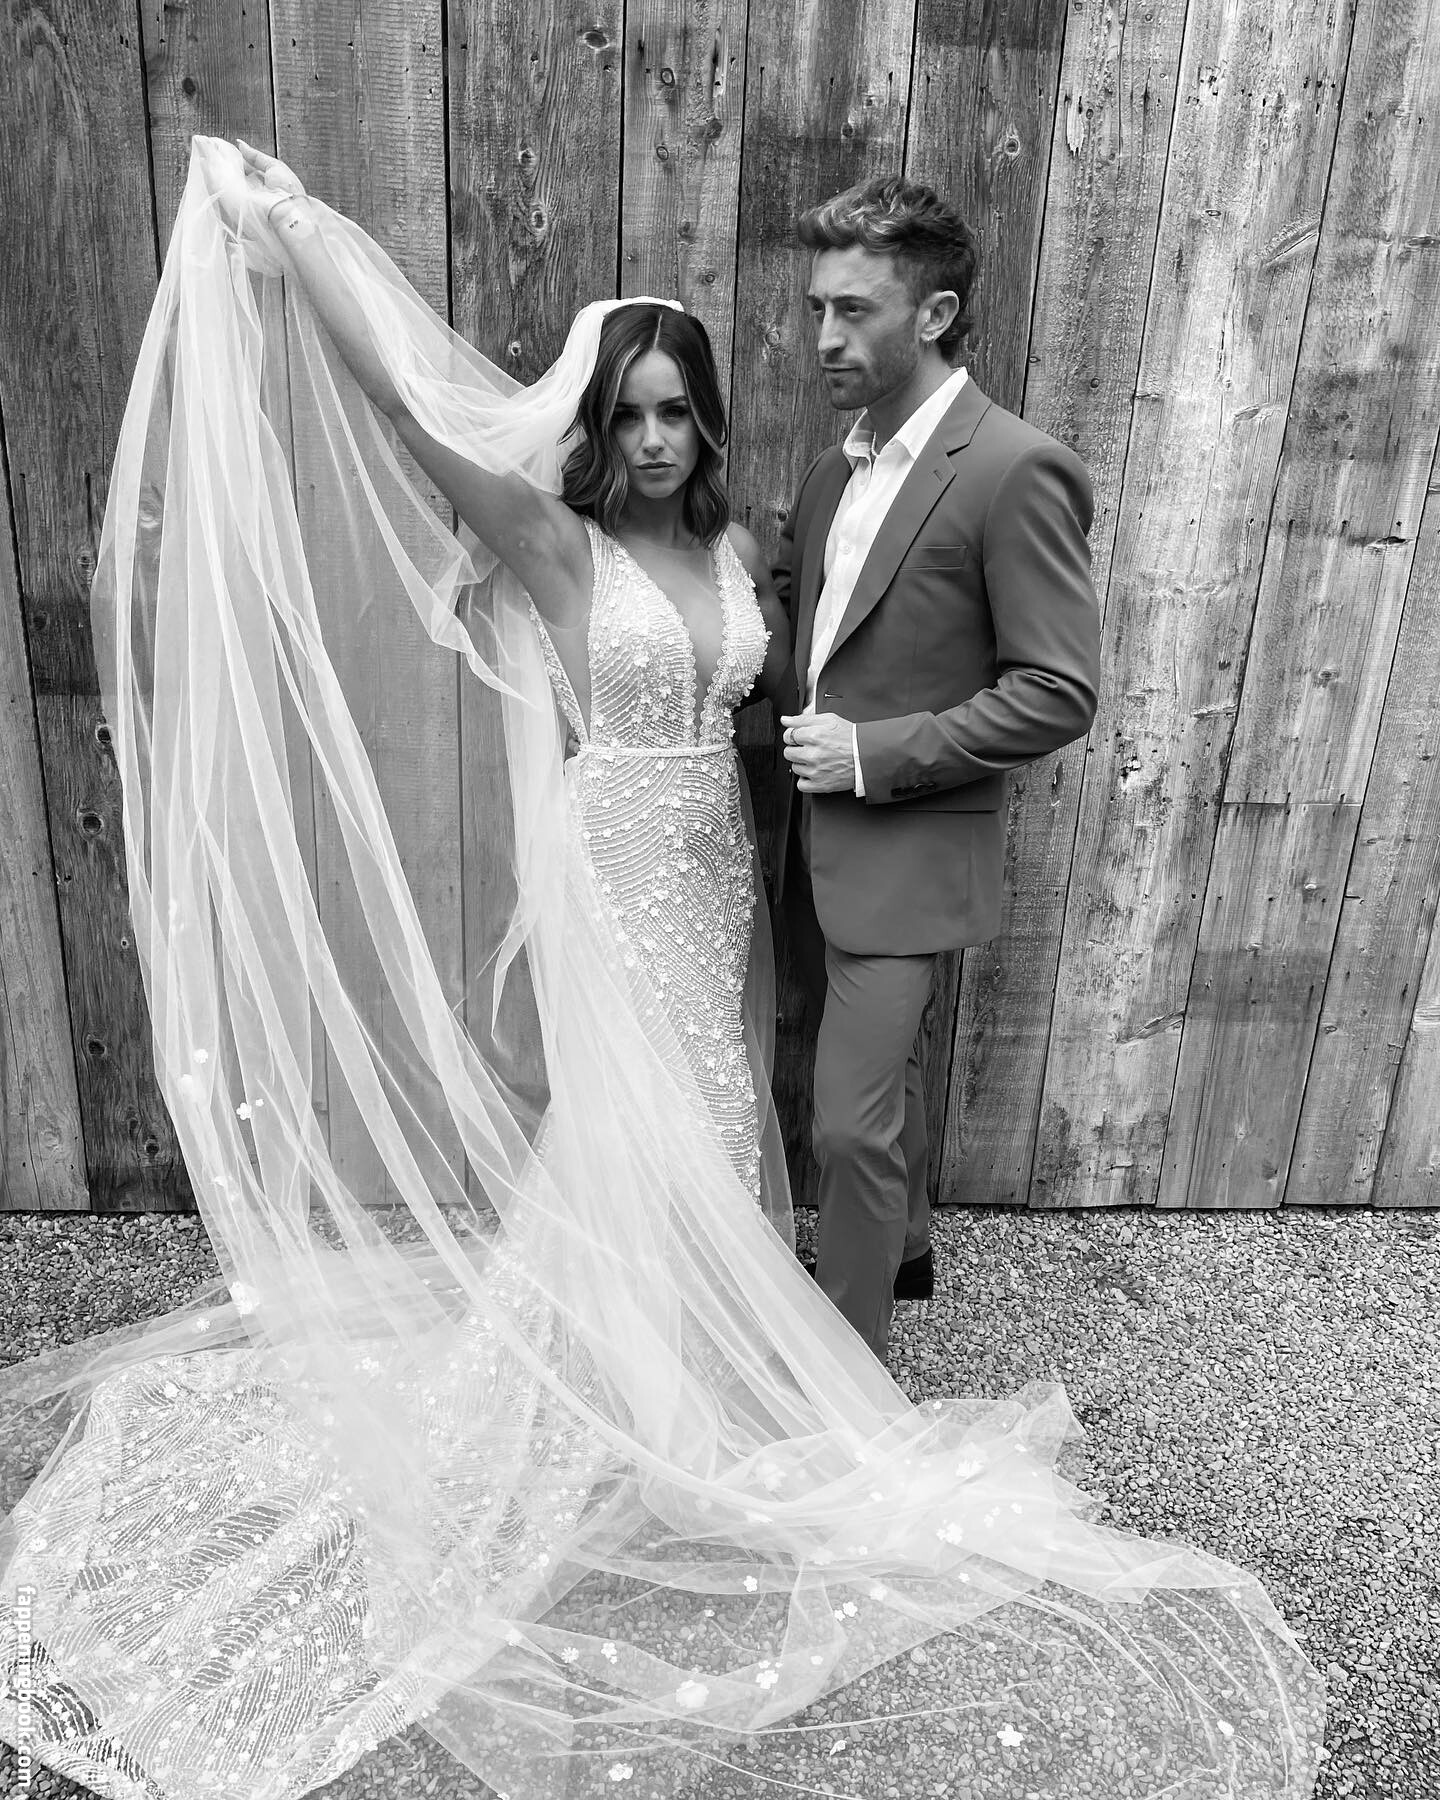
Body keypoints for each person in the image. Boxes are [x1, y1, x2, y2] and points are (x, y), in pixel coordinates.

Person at [0, 138, 1321, 1800]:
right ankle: (619, 1398)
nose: (647, 439)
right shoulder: (555, 548)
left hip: (721, 871)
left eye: (674, 412)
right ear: (590, 424)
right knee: (640, 1126)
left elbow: (802, 695)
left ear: (706, 423)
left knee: (719, 1117)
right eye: (624, 413)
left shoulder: (745, 550)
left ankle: (696, 1363)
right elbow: (407, 403)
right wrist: (294, 232)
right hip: (616, 864)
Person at [775, 176, 1101, 1360]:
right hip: (804, 842)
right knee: (878, 1081)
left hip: (908, 850)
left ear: (936, 313)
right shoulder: (835, 470)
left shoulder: (1016, 469)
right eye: (818, 308)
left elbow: (1058, 689)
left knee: (848, 1127)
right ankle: (903, 1246)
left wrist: (875, 753)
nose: (824, 337)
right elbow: (804, 633)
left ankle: (844, 1387)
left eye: (854, 310)